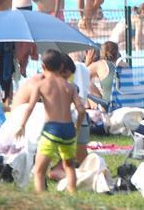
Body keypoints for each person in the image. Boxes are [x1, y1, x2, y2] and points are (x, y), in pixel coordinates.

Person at [13, 50, 85, 194]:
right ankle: (73, 195)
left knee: (39, 171)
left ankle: (42, 201)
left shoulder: (41, 85)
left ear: (43, 66)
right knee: (69, 166)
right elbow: (81, 110)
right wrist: (77, 127)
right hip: (68, 130)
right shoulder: (70, 87)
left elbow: (30, 107)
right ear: (61, 67)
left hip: (52, 129)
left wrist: (22, 125)